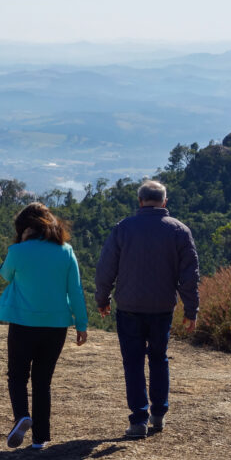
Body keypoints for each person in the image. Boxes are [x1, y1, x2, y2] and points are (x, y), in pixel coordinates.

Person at [95, 180, 199, 438]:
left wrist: (102, 298)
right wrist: (190, 309)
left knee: (132, 363)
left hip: (129, 307)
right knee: (159, 358)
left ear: (140, 202)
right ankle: (159, 414)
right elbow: (189, 276)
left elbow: (106, 267)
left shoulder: (124, 228)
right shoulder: (179, 231)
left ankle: (139, 420)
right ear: (164, 202)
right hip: (162, 308)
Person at [0, 202, 88, 450]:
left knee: (17, 375)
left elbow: (6, 274)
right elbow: (76, 291)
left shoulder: (18, 251)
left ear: (25, 228)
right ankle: (40, 439)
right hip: (56, 325)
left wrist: (20, 244)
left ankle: (22, 417)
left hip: (23, 323)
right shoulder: (66, 251)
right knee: (42, 381)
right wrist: (81, 324)